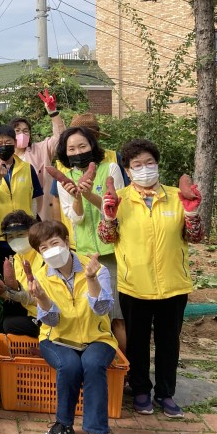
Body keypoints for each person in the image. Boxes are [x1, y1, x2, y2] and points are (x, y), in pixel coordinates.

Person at [98, 139, 204, 419]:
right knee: (137, 341)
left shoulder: (176, 196)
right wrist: (108, 217)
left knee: (169, 342)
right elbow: (107, 238)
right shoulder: (119, 198)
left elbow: (195, 236)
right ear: (127, 170)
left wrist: (191, 211)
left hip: (173, 284)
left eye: (149, 163)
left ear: (157, 165)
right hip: (134, 285)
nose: (144, 169)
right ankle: (141, 390)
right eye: (137, 165)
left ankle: (166, 393)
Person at [27, 220, 126, 434]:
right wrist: (41, 297)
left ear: (66, 242)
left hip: (98, 337)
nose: (50, 251)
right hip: (56, 338)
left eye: (54, 243)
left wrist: (91, 278)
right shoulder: (41, 277)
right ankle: (63, 424)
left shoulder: (96, 268)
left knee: (92, 364)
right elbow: (52, 320)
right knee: (69, 366)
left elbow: (102, 308)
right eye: (43, 248)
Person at [54, 126, 126, 352]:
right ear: (65, 152)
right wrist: (77, 197)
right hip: (84, 255)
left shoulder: (110, 168)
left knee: (116, 317)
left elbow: (116, 209)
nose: (77, 152)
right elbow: (76, 218)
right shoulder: (65, 179)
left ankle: (125, 367)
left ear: (92, 146)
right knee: (94, 315)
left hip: (112, 252)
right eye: (72, 149)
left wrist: (88, 194)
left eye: (82, 146)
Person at [0, 124, 43, 272]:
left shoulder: (27, 168)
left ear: (15, 143)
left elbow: (34, 199)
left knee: (26, 274)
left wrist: (32, 223)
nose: (4, 146)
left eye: (8, 142)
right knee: (0, 276)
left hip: (24, 233)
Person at [12, 88, 66, 221]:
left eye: (26, 131)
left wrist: (53, 112)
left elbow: (61, 137)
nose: (22, 134)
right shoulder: (6, 157)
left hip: (41, 210)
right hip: (16, 210)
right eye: (17, 131)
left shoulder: (41, 149)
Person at [0, 211, 41, 337]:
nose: (15, 240)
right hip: (29, 312)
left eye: (20, 234)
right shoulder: (15, 259)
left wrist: (28, 298)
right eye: (10, 237)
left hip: (47, 313)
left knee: (10, 324)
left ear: (32, 233)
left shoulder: (42, 256)